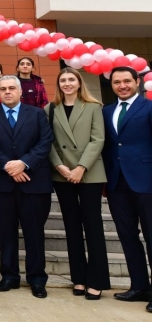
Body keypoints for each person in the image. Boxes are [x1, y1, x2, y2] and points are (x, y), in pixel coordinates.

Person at [0, 75, 54, 298]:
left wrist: (23, 163)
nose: (7, 92)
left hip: (33, 182)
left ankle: (37, 278)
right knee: (6, 232)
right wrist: (8, 166)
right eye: (3, 89)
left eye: (11, 88)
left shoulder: (37, 114)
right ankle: (9, 276)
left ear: (20, 92)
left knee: (34, 233)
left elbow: (45, 142)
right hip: (0, 183)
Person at [45, 68, 109, 300]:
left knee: (93, 226)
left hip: (89, 173)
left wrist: (81, 167)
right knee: (72, 227)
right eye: (63, 80)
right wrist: (60, 166)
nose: (67, 83)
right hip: (62, 174)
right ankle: (79, 279)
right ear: (58, 84)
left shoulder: (93, 107)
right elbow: (48, 141)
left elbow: (98, 139)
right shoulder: (50, 109)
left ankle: (97, 280)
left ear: (79, 82)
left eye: (72, 79)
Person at [101, 67, 152, 313]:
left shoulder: (149, 107)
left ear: (137, 82)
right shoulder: (106, 111)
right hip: (116, 183)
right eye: (117, 82)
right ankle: (139, 286)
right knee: (127, 236)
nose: (122, 86)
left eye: (127, 81)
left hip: (146, 181)